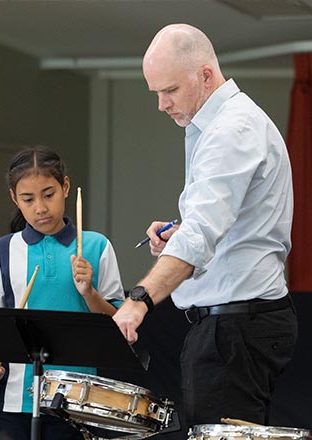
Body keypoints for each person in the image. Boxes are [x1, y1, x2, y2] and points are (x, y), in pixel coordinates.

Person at [112, 24, 298, 428]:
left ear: (206, 76)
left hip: (236, 326)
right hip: (235, 323)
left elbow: (200, 236)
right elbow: (221, 225)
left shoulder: (232, 130)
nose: (161, 104)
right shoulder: (215, 126)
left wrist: (138, 299)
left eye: (170, 90)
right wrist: (181, 237)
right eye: (156, 93)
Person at [0, 145, 125, 440]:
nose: (40, 208)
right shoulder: (3, 250)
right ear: (14, 199)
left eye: (48, 194)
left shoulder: (97, 246)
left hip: (75, 400)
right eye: (28, 199)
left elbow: (119, 323)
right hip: (11, 402)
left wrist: (89, 293)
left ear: (65, 187)